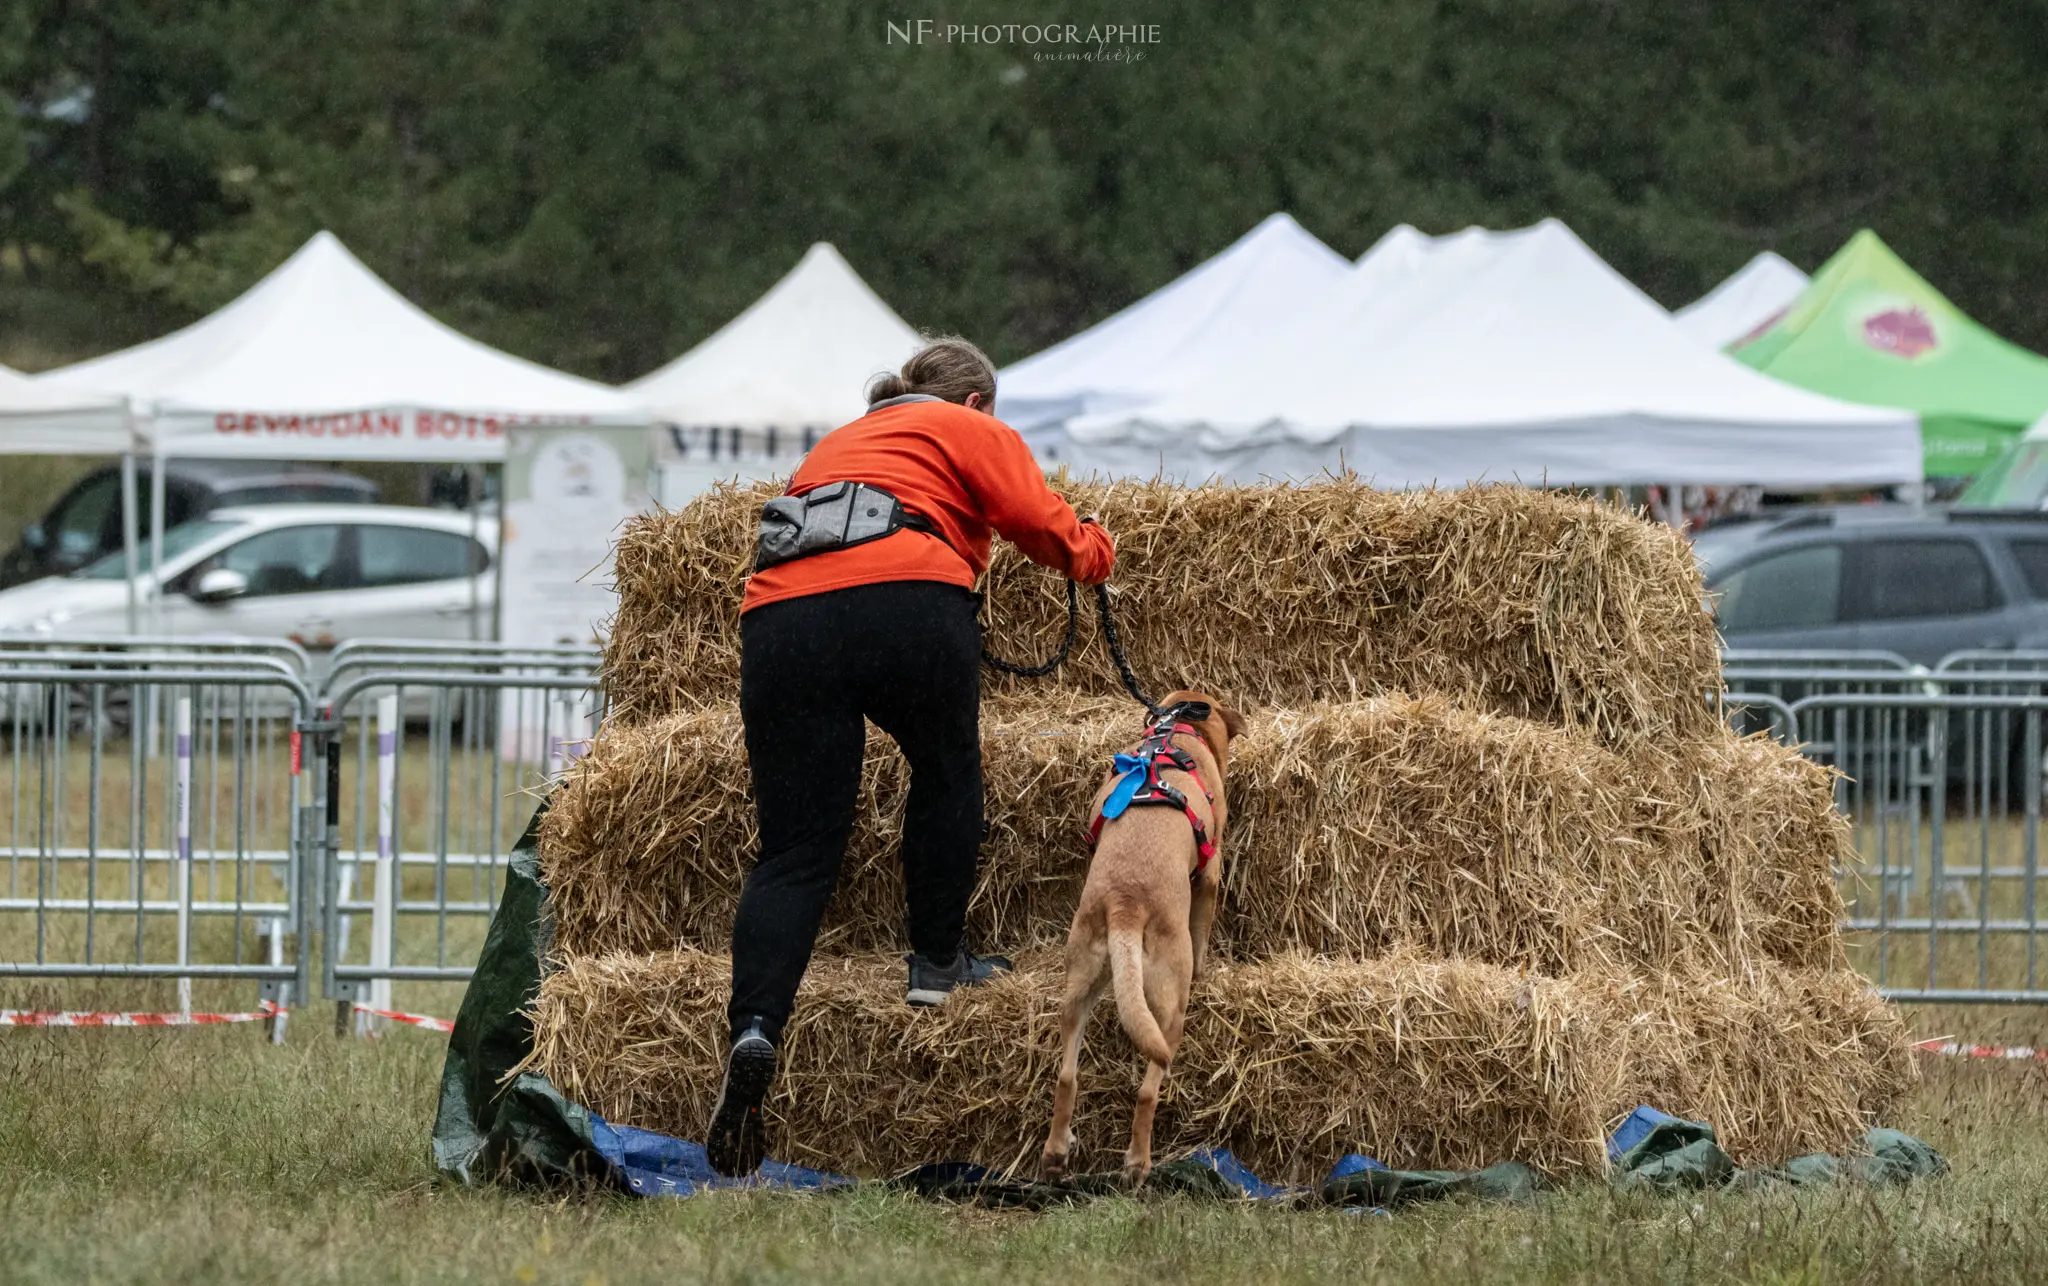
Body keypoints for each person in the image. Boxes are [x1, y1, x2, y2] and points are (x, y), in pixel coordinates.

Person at [705, 336, 1117, 1176]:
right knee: (944, 771)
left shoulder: (838, 443)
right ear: (976, 405)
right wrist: (1096, 550)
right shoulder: (965, 426)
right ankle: (936, 962)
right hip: (905, 601)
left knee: (795, 848)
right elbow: (1042, 524)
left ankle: (755, 1028)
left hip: (781, 618)